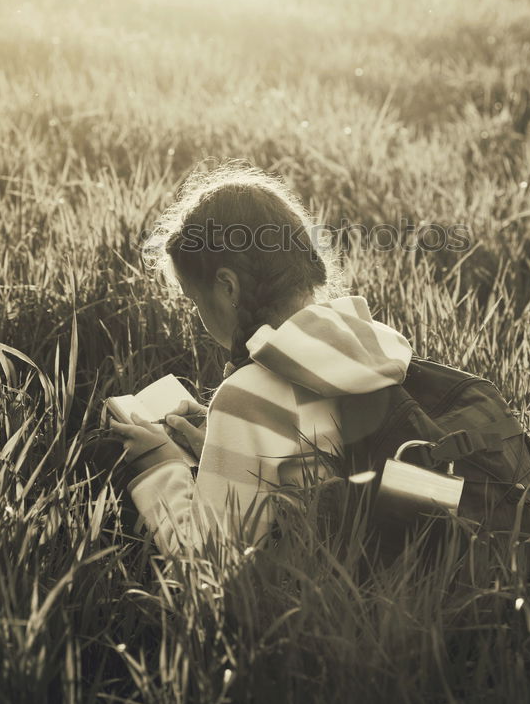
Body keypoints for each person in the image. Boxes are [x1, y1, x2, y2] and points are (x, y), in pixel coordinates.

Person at [108, 161, 413, 558]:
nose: (198, 318)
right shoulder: (367, 348)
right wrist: (220, 448)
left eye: (193, 300)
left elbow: (207, 563)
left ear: (228, 286)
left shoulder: (248, 397)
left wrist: (161, 463)